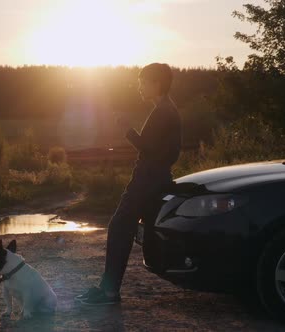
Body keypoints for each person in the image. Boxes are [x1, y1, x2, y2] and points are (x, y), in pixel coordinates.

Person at [76, 63, 182, 305]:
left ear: (156, 83)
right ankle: (107, 287)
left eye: (143, 82)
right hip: (152, 178)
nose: (139, 87)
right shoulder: (166, 109)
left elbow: (149, 148)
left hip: (147, 179)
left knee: (119, 228)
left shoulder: (164, 111)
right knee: (125, 229)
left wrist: (127, 129)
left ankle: (109, 291)